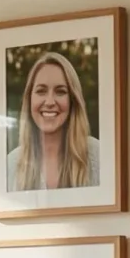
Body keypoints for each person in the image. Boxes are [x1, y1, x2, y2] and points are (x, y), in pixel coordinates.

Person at [6, 51, 101, 192]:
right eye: (41, 91)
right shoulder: (10, 164)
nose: (50, 102)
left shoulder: (98, 155)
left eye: (60, 92)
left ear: (72, 101)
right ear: (29, 99)